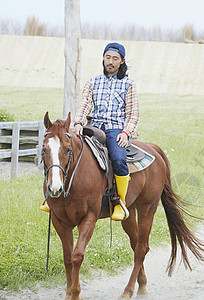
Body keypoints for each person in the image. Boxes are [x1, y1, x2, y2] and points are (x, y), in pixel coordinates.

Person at [40, 42, 139, 221]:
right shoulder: (93, 82)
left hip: (115, 129)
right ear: (103, 58)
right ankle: (52, 196)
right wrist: (78, 122)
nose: (110, 61)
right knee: (65, 150)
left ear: (122, 61)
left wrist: (126, 133)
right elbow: (85, 104)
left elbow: (133, 113)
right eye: (107, 57)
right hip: (93, 126)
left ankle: (119, 202)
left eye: (115, 59)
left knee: (117, 158)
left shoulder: (128, 84)